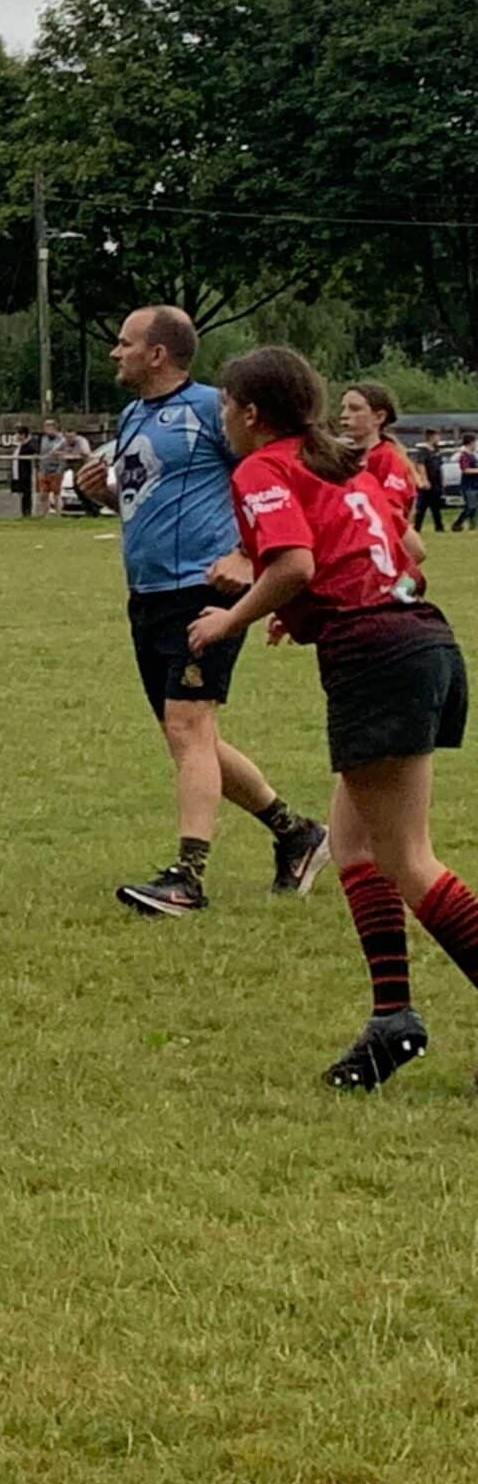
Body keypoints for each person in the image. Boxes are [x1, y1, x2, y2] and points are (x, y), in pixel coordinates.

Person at [185, 346, 471, 1091]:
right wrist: (306, 615)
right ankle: (392, 1022)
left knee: (409, 858)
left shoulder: (264, 467)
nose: (223, 419)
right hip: (418, 642)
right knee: (353, 849)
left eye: (226, 408)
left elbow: (295, 567)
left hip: (379, 657)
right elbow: (404, 553)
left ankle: (395, 1019)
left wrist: (233, 618)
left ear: (250, 413)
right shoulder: (340, 463)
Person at [73, 306, 327, 916]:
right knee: (188, 734)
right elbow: (152, 499)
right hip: (149, 595)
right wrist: (105, 496)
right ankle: (297, 833)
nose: (115, 353)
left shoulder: (217, 409)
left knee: (189, 729)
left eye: (125, 342)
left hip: (202, 593)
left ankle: (187, 878)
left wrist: (245, 553)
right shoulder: (134, 414)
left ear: (158, 354)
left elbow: (274, 481)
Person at [338, 381, 417, 523]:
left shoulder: (388, 458)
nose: (344, 415)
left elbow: (394, 513)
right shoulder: (343, 457)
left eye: (355, 409)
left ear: (379, 417)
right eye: (343, 409)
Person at [412, 427, 450, 535]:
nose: (439, 438)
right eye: (437, 436)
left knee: (436, 506)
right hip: (428, 480)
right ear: (431, 437)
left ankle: (439, 527)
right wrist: (424, 479)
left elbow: (440, 466)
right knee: (422, 506)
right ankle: (417, 528)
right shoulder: (423, 451)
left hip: (436, 481)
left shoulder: (437, 450)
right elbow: (420, 465)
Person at [34, 420, 67, 517]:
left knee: (56, 494)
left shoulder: (61, 440)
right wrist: (40, 469)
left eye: (50, 427)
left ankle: (58, 514)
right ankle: (45, 514)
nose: (48, 430)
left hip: (56, 470)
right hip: (43, 470)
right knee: (43, 494)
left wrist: (60, 470)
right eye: (46, 427)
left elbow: (64, 455)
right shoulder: (43, 439)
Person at [13, 425, 40, 518]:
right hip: (18, 473)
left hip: (27, 474)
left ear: (23, 435)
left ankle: (28, 513)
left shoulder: (30, 444)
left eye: (18, 434)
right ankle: (24, 513)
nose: (17, 437)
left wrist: (24, 444)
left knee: (27, 494)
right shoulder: (19, 445)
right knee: (22, 494)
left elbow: (34, 451)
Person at [459, 434, 478, 533]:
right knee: (470, 507)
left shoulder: (472, 455)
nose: (476, 444)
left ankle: (473, 526)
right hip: (468, 486)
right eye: (475, 442)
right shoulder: (464, 455)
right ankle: (457, 524)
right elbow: (465, 470)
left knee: (474, 508)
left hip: (475, 484)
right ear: (471, 442)